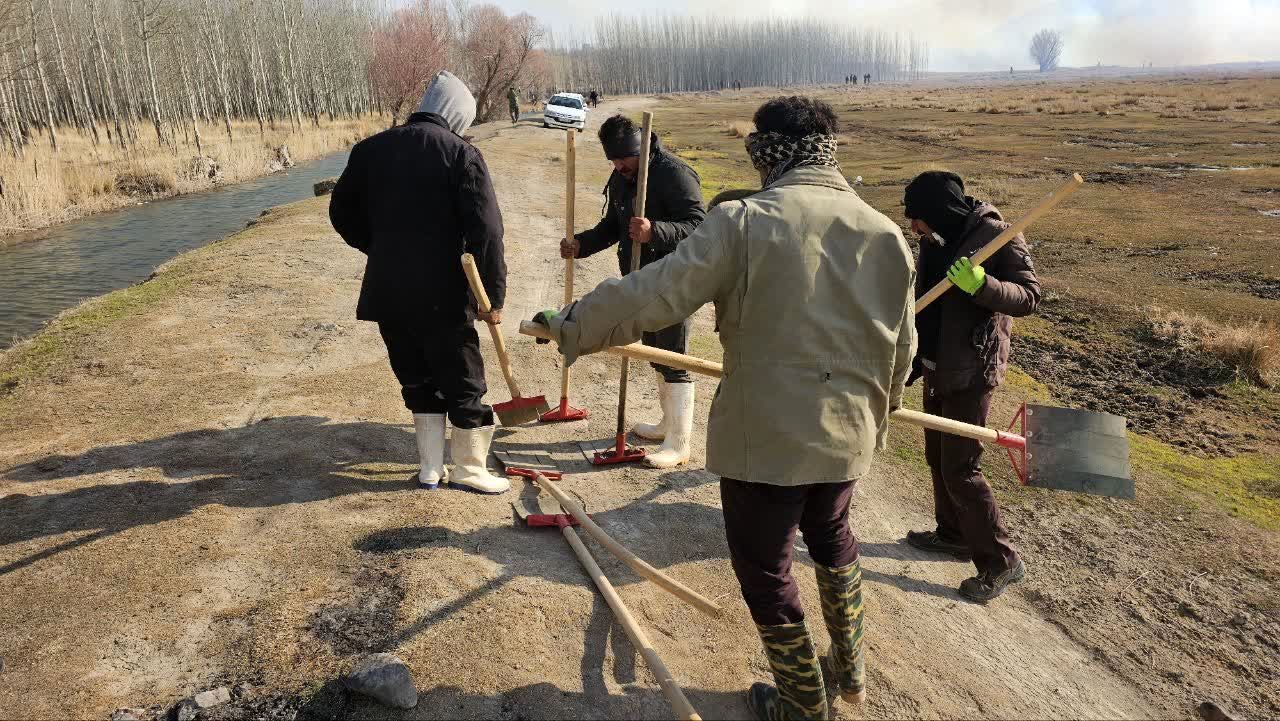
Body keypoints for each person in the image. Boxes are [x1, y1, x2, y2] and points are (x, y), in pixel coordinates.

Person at [538, 96, 916, 720]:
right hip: (850, 431)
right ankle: (849, 674)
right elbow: (903, 346)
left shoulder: (744, 220)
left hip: (768, 436)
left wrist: (572, 322)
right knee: (832, 537)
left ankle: (803, 705)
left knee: (767, 569)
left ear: (767, 155)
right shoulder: (885, 232)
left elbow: (655, 294)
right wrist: (881, 412)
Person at [329, 70, 510, 495]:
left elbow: (341, 213)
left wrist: (379, 248)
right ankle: (468, 469)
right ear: (455, 116)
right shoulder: (462, 154)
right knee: (463, 380)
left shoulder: (369, 149)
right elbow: (487, 233)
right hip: (443, 293)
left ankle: (431, 468)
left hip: (387, 291)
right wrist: (493, 295)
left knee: (416, 377)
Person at [901, 170, 1041, 602]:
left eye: (917, 218)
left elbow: (1029, 297)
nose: (913, 227)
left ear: (938, 212)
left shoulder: (996, 236)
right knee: (937, 455)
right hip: (936, 362)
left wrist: (983, 286)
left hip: (972, 368)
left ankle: (1001, 562)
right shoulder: (934, 238)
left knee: (961, 467)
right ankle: (953, 534)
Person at [559, 114, 706, 468]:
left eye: (624, 158)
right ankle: (666, 424)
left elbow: (700, 227)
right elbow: (613, 226)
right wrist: (581, 244)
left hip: (675, 280)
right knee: (655, 349)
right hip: (640, 281)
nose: (618, 165)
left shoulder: (674, 174)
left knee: (674, 354)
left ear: (642, 148)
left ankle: (680, 442)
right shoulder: (623, 176)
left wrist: (656, 230)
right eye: (613, 159)